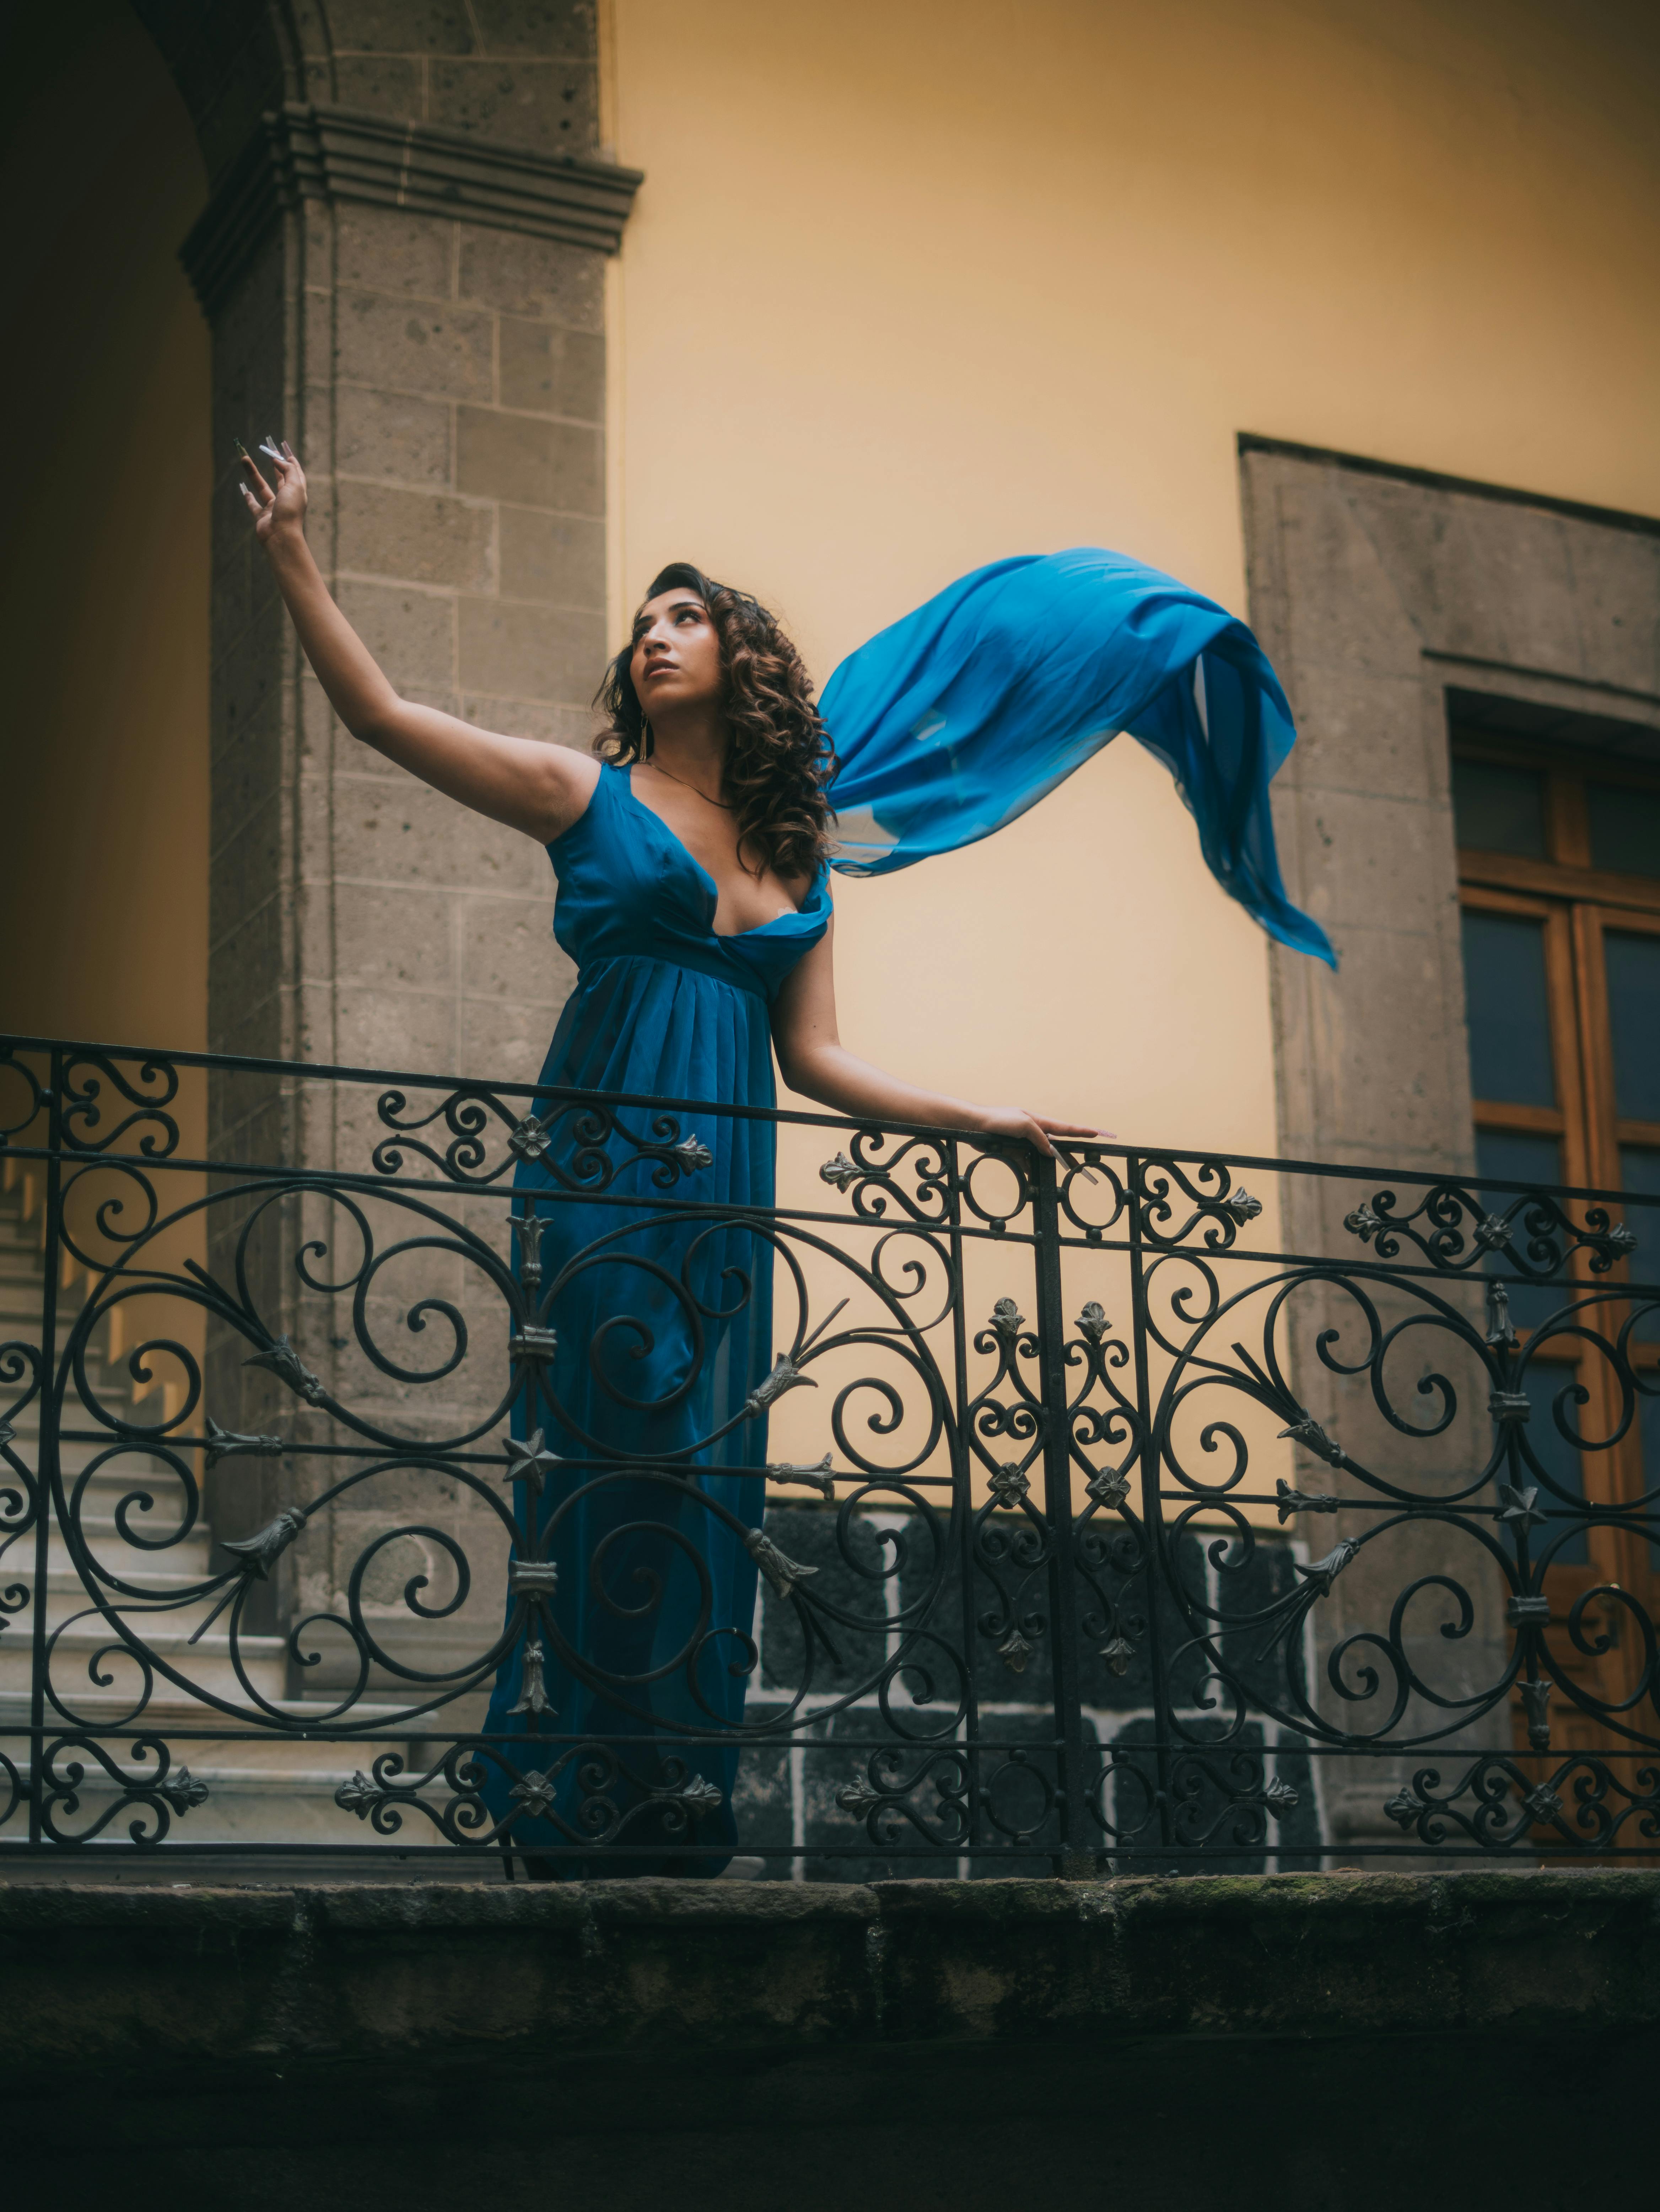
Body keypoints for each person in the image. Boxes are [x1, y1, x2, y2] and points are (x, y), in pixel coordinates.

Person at [237, 439, 1327, 1874]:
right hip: (606, 1145)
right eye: (643, 623)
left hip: (730, 1178)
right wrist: (294, 552)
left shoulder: (799, 859)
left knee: (705, 1465)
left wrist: (978, 1116)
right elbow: (378, 715)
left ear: (742, 656)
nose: (653, 634)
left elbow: (817, 1058)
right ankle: (577, 1782)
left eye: (684, 616)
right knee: (606, 1436)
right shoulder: (584, 792)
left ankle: (679, 1783)